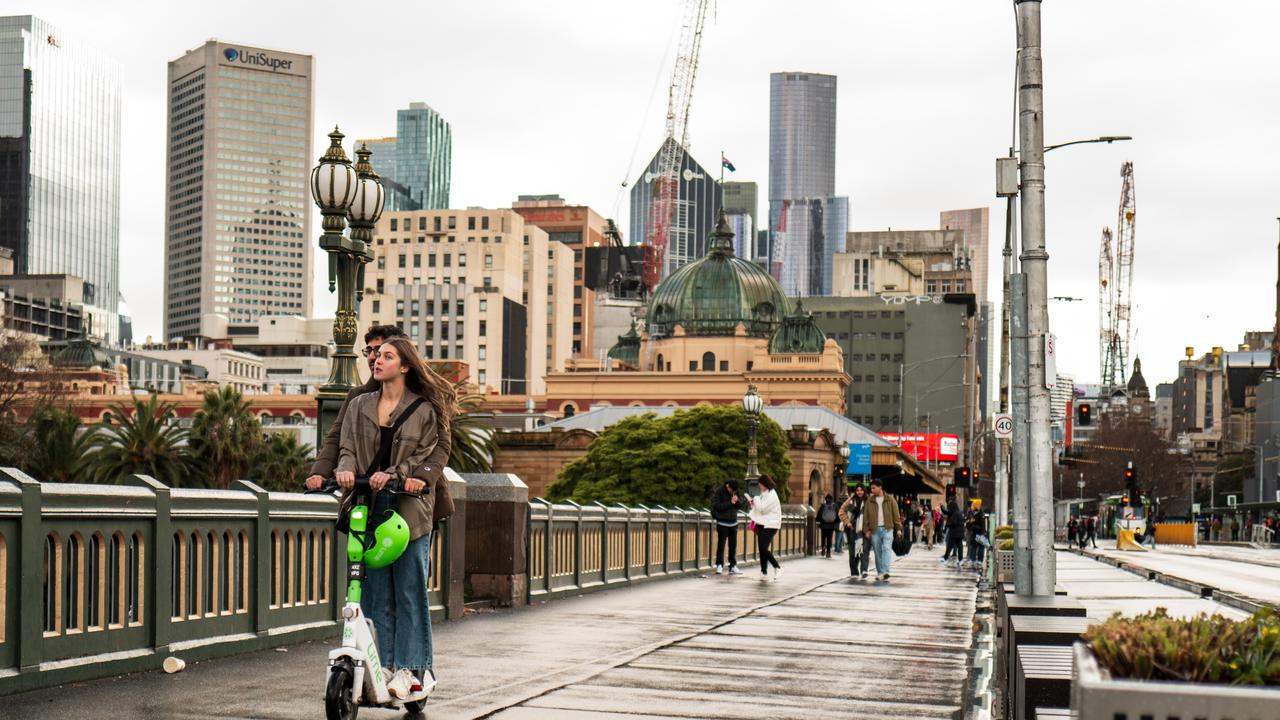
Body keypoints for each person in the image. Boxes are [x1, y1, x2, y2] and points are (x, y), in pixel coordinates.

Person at [334, 337, 457, 701]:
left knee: (408, 590)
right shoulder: (359, 405)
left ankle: (411, 670)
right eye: (377, 356)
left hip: (408, 508)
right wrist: (342, 470)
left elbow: (427, 451)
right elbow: (347, 447)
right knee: (373, 591)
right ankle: (382, 665)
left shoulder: (423, 409)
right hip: (369, 507)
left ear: (404, 366)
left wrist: (399, 474)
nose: (378, 360)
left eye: (388, 356)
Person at [306, 324, 452, 499]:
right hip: (364, 494)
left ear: (404, 361)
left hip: (411, 492)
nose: (374, 357)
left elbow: (440, 446)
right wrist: (320, 473)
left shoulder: (426, 399)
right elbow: (337, 438)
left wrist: (421, 477)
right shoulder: (357, 398)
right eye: (370, 351)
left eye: (382, 352)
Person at [862, 479, 902, 581]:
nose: (872, 490)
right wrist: (866, 530)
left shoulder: (890, 499)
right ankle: (880, 572)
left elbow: (896, 515)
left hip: (887, 528)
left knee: (887, 548)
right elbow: (865, 516)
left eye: (873, 488)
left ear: (880, 487)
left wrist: (898, 529)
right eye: (871, 488)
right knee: (877, 551)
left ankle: (885, 571)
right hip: (874, 529)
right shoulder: (869, 501)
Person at [747, 475, 783, 581]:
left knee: (763, 548)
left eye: (760, 484)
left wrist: (756, 499)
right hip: (763, 523)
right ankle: (764, 573)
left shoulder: (772, 495)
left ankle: (777, 567)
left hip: (771, 524)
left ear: (765, 484)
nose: (759, 486)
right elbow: (760, 508)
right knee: (762, 549)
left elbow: (762, 508)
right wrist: (753, 503)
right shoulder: (764, 494)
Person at [710, 480, 744, 575]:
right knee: (721, 545)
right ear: (728, 486)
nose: (733, 492)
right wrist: (730, 502)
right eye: (731, 490)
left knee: (733, 546)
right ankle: (719, 565)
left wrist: (736, 501)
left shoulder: (735, 490)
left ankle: (733, 566)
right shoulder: (719, 491)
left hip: (734, 522)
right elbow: (717, 506)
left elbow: (740, 505)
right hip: (722, 522)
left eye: (734, 491)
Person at [839, 484, 870, 578]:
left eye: (861, 490)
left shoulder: (869, 501)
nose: (859, 492)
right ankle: (854, 572)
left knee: (863, 550)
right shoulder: (851, 500)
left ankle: (864, 570)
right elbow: (841, 511)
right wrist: (847, 522)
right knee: (853, 552)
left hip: (864, 529)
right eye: (857, 490)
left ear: (864, 491)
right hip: (852, 529)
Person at [944, 500, 966, 568]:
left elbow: (954, 523)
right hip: (958, 533)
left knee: (950, 545)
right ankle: (960, 559)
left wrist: (948, 524)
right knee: (959, 546)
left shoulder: (955, 514)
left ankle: (946, 558)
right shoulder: (958, 513)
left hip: (955, 533)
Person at [817, 493, 840, 558]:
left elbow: (819, 515)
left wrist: (819, 521)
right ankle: (828, 552)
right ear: (832, 499)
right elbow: (838, 516)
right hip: (831, 526)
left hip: (823, 525)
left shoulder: (823, 506)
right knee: (829, 539)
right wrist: (835, 522)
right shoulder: (835, 506)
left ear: (825, 499)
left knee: (823, 538)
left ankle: (823, 547)